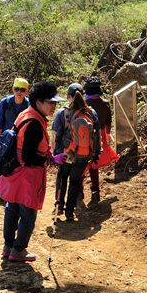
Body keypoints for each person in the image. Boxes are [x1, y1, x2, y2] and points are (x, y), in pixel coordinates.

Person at [0, 81, 65, 262]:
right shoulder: (35, 123)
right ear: (38, 102)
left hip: (14, 173)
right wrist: (51, 160)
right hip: (27, 176)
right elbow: (28, 156)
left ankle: (8, 246)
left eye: (55, 103)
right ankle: (18, 250)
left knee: (11, 209)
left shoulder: (25, 114)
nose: (53, 106)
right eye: (49, 102)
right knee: (28, 214)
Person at [52, 84, 101, 221]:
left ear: (68, 96)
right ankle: (69, 211)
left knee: (62, 178)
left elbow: (56, 135)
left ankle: (59, 206)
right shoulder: (91, 113)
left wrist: (56, 154)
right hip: (83, 155)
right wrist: (95, 153)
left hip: (67, 154)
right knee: (75, 182)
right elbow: (98, 135)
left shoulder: (63, 113)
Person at [0, 77, 30, 199]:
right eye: (17, 89)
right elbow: (0, 121)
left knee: (18, 166)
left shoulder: (29, 105)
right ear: (12, 89)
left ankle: (14, 192)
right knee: (2, 163)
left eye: (22, 90)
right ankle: (0, 190)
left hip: (22, 139)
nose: (19, 92)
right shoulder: (5, 103)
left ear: (26, 91)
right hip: (6, 139)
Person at [83, 77, 112, 204]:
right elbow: (108, 123)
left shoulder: (83, 103)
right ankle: (95, 191)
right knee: (94, 165)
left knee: (81, 163)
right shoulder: (105, 103)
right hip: (99, 136)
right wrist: (106, 136)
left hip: (84, 136)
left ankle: (79, 190)